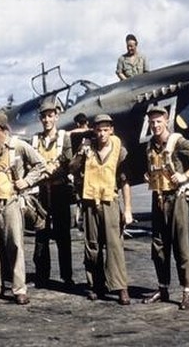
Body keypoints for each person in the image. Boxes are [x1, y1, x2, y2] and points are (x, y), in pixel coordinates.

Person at [0, 111, 45, 305]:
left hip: (11, 202)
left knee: (15, 246)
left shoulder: (18, 146)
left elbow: (40, 165)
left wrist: (27, 181)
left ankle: (19, 290)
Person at [143, 106, 189, 310]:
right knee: (159, 247)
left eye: (158, 121)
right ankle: (162, 288)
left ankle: (187, 292)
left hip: (176, 198)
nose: (155, 125)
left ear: (166, 121)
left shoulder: (177, 141)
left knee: (180, 246)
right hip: (158, 198)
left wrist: (186, 175)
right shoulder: (150, 145)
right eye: (152, 122)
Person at [69, 114, 133, 305]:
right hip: (90, 202)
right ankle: (95, 285)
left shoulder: (119, 151)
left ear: (111, 130)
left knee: (114, 246)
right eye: (99, 129)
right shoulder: (87, 147)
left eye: (106, 129)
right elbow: (71, 168)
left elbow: (124, 181)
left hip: (110, 201)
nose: (102, 133)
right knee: (92, 245)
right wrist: (81, 153)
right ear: (94, 130)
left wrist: (128, 209)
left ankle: (120, 287)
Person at [32, 100, 74, 289]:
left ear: (56, 116)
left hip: (59, 191)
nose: (47, 119)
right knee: (41, 234)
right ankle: (42, 276)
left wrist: (54, 170)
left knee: (63, 235)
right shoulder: (35, 140)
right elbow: (29, 163)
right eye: (44, 116)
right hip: (42, 192)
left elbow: (68, 163)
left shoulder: (64, 137)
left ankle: (66, 277)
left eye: (50, 116)